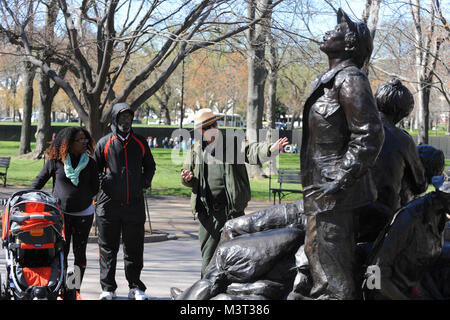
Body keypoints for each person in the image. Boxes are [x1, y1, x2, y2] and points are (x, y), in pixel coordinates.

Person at [300, 9, 384, 299]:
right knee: (317, 258)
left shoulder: (350, 81)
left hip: (335, 195)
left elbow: (370, 134)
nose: (328, 33)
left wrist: (341, 179)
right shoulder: (329, 80)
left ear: (349, 45)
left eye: (336, 31)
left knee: (334, 276)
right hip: (320, 193)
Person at [181, 108, 289, 277]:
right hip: (208, 215)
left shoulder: (231, 144)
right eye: (207, 127)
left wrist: (269, 149)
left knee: (235, 258)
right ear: (200, 132)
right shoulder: (195, 151)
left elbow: (250, 151)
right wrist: (187, 179)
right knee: (208, 261)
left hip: (231, 213)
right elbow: (188, 177)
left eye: (214, 125)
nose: (213, 129)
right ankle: (205, 295)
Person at [93, 103, 156, 300]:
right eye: (121, 117)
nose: (125, 120)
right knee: (107, 249)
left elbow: (150, 166)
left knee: (134, 248)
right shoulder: (105, 142)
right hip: (108, 205)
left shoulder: (140, 142)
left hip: (134, 205)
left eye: (128, 117)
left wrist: (143, 182)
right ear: (114, 118)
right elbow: (94, 170)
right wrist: (103, 184)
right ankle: (108, 288)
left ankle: (136, 287)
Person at [365, 152, 447, 300]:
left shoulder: (438, 217)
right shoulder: (411, 217)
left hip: (414, 287)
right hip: (389, 293)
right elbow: (375, 272)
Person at [31, 126, 99, 300]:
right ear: (68, 143)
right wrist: (26, 197)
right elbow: (39, 181)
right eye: (80, 140)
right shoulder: (55, 162)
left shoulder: (90, 163)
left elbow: (95, 187)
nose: (84, 142)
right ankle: (61, 288)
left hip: (83, 215)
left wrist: (81, 198)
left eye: (86, 139)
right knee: (61, 252)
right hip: (60, 216)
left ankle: (73, 289)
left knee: (79, 253)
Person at [358, 78, 427, 242]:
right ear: (402, 111)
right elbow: (420, 184)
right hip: (383, 221)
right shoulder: (402, 139)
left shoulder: (356, 129)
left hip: (349, 214)